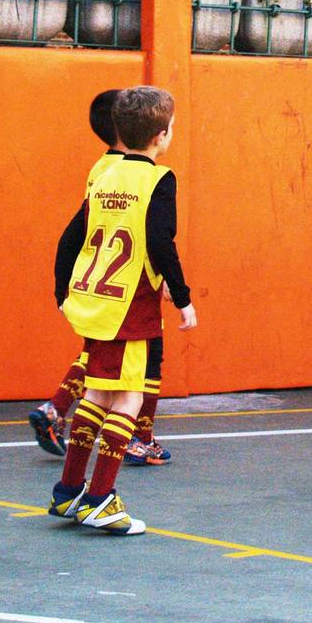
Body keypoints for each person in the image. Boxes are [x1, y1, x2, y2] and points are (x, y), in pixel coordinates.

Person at [47, 86, 198, 535]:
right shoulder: (158, 179)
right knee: (129, 397)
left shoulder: (104, 171)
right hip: (130, 305)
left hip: (95, 297)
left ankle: (68, 491)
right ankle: (101, 499)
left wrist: (63, 291)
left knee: (96, 391)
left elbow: (71, 235)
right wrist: (182, 294)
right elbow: (158, 240)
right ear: (161, 135)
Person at [29, 89, 125, 456]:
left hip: (97, 275)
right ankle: (133, 439)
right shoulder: (120, 171)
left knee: (100, 354)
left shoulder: (103, 166)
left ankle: (55, 409)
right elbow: (77, 230)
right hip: (115, 281)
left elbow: (74, 232)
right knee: (134, 360)